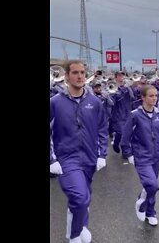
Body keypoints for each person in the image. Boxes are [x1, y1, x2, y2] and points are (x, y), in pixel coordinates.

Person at [50, 60, 108, 243]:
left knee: (84, 197)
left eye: (82, 72)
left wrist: (102, 154)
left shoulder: (94, 102)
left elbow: (102, 128)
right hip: (66, 159)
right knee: (80, 198)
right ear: (66, 76)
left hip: (89, 158)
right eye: (75, 72)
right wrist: (52, 159)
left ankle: (81, 225)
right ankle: (74, 235)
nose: (80, 76)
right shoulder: (55, 103)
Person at [120, 85, 159, 226]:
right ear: (143, 98)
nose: (154, 98)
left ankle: (150, 212)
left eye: (156, 96)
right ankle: (141, 203)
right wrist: (129, 154)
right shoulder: (135, 115)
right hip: (141, 156)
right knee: (153, 185)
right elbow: (125, 137)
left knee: (149, 186)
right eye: (151, 96)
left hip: (156, 156)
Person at [110, 71, 135, 154]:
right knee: (120, 132)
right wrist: (117, 93)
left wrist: (128, 87)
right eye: (120, 76)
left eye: (122, 76)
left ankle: (125, 152)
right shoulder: (112, 88)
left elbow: (132, 97)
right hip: (117, 114)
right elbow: (112, 102)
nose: (121, 78)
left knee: (127, 133)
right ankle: (116, 144)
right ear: (116, 77)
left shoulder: (127, 87)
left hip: (127, 112)